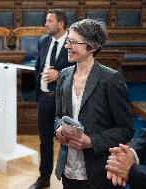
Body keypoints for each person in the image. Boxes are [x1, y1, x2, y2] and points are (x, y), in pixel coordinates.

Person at [54, 18, 134, 189]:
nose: (67, 46)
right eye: (68, 41)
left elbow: (126, 129)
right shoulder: (64, 75)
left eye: (73, 42)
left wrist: (92, 141)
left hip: (99, 172)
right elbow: (58, 116)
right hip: (68, 170)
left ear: (92, 47)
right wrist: (59, 129)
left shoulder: (111, 79)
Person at [30, 9, 73, 189]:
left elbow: (79, 69)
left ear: (60, 23)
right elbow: (40, 64)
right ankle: (44, 177)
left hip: (64, 101)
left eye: (49, 21)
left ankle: (71, 180)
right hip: (45, 99)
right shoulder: (43, 41)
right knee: (45, 141)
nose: (46, 24)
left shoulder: (72, 43)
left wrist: (59, 74)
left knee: (70, 141)